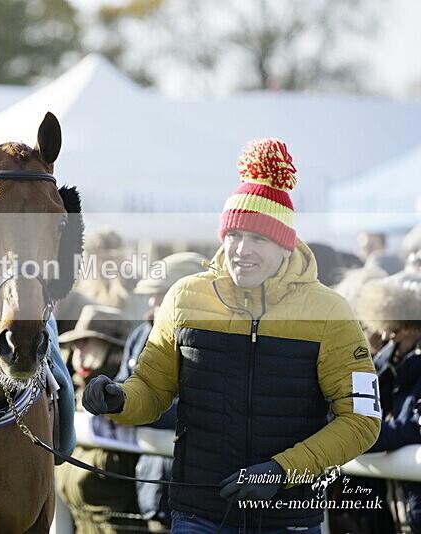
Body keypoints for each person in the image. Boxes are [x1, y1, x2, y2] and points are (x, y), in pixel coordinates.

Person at [82, 138, 382, 533]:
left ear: (285, 246)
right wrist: (119, 399)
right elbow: (152, 390)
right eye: (234, 234)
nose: (242, 249)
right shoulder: (185, 296)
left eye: (258, 238)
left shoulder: (330, 312)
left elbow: (362, 420)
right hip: (198, 514)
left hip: (287, 519)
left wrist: (281, 471)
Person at [116, 251, 208, 531]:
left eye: (161, 293)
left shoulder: (211, 342)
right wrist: (112, 400)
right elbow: (124, 383)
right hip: (150, 484)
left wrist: (133, 411)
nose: (152, 302)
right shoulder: (141, 335)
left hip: (199, 491)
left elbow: (198, 410)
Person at [55, 304, 138, 533]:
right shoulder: (72, 394)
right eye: (75, 343)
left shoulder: (128, 400)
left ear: (114, 349)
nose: (77, 349)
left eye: (86, 341)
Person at [356, 281, 421, 532]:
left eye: (394, 330)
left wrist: (365, 436)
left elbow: (415, 427)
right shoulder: (381, 367)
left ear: (413, 327)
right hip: (390, 511)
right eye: (384, 329)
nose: (385, 338)